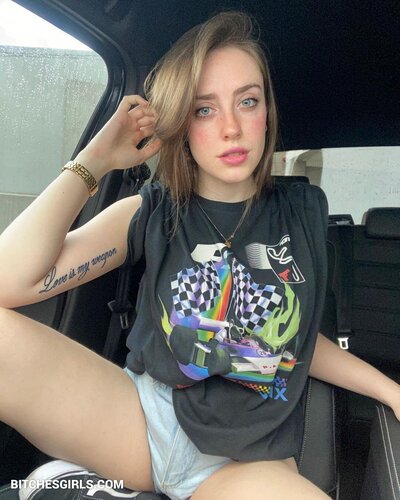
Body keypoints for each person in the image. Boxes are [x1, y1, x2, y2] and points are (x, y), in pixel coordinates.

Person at [0, 11, 399, 500]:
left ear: (267, 111)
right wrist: (95, 161)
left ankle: (81, 482)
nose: (231, 127)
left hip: (241, 462)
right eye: (204, 109)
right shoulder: (151, 211)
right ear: (182, 124)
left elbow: (297, 344)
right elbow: (10, 282)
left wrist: (391, 391)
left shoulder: (300, 214)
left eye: (247, 102)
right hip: (139, 420)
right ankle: (81, 477)